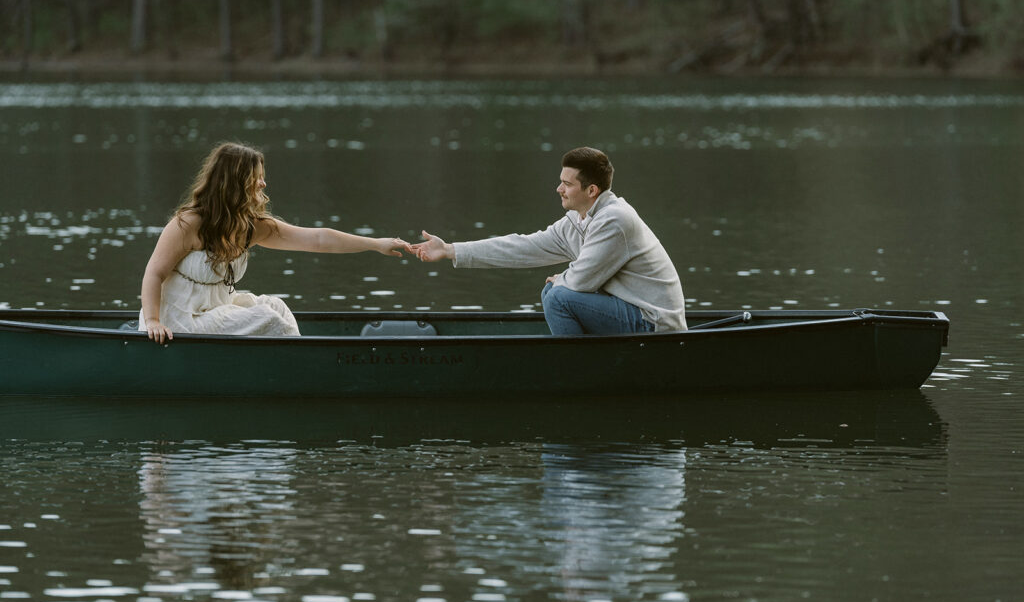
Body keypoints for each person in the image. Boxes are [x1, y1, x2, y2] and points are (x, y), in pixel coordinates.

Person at [140, 142, 410, 344]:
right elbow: (154, 273)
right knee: (266, 319)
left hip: (214, 311)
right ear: (236, 181)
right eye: (256, 177)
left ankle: (296, 363)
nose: (263, 183)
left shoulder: (252, 226)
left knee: (276, 307)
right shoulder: (188, 223)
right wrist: (152, 321)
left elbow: (318, 239)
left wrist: (376, 243)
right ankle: (300, 368)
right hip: (177, 320)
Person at [410, 146, 686, 334]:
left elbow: (581, 281)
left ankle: (578, 372)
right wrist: (450, 250)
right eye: (561, 181)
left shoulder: (614, 220)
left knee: (558, 298)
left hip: (654, 322)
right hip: (632, 311)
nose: (559, 189)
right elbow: (523, 247)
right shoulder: (579, 220)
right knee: (553, 293)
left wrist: (561, 279)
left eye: (567, 184)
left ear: (591, 190)